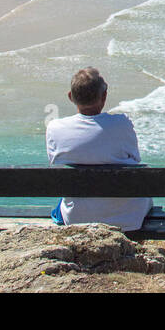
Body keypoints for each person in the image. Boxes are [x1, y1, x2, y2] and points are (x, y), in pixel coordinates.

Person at [46, 68, 151, 230]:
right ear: (104, 96)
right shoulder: (122, 124)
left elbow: (56, 163)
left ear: (70, 97)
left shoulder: (55, 128)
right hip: (129, 217)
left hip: (76, 218)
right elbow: (135, 159)